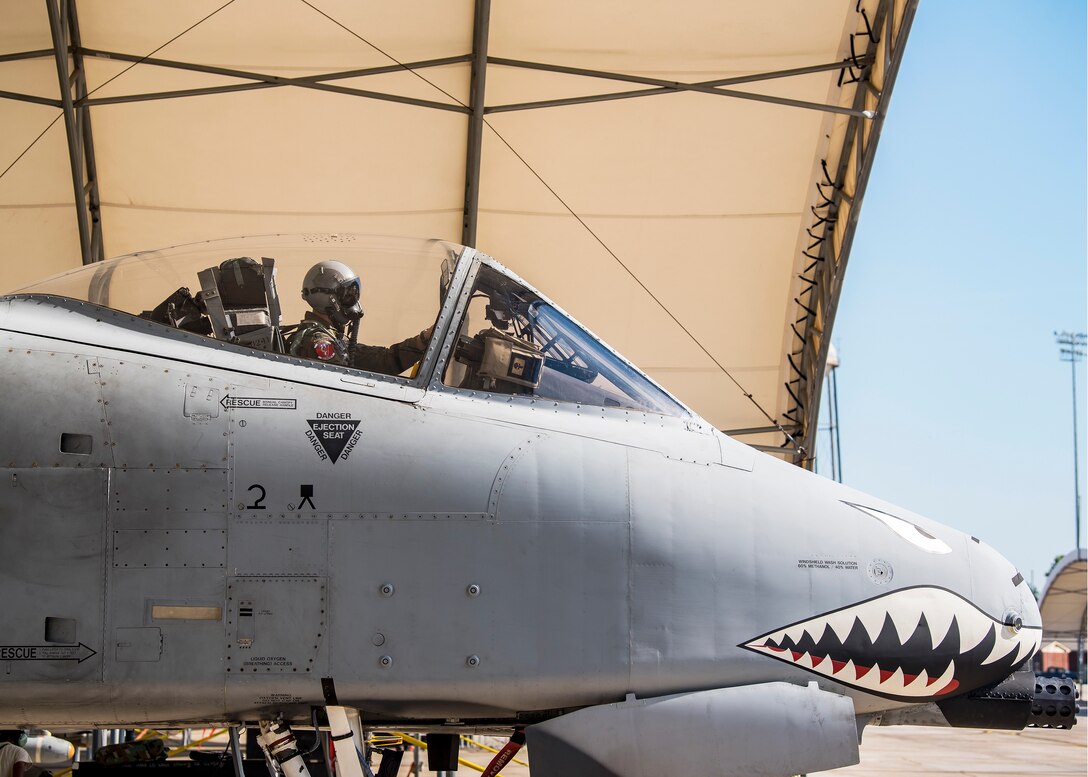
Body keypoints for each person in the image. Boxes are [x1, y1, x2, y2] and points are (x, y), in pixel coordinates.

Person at [287, 260, 432, 376]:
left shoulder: (333, 337)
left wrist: (423, 340)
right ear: (328, 299)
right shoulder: (318, 342)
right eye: (348, 295)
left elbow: (384, 360)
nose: (353, 302)